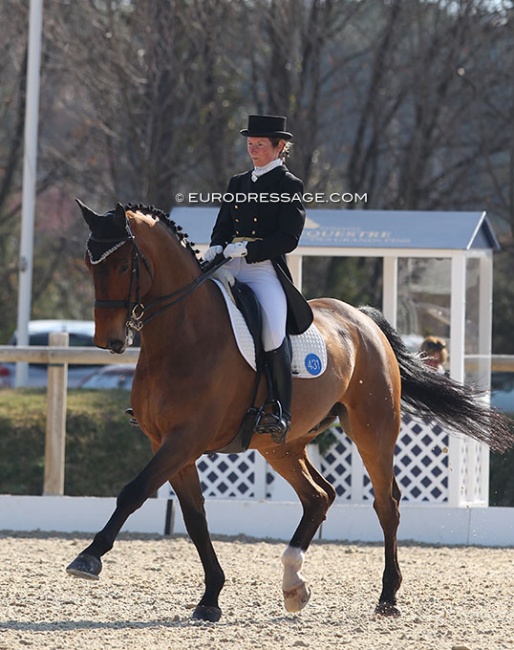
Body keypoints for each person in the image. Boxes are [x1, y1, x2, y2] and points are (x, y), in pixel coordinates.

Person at [204, 114, 313, 443]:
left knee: (272, 333)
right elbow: (223, 223)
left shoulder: (288, 185)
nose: (252, 149)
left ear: (279, 147)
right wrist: (216, 247)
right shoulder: (237, 183)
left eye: (260, 144)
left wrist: (249, 252)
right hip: (228, 262)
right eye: (250, 144)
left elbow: (288, 237)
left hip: (263, 268)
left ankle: (280, 409)